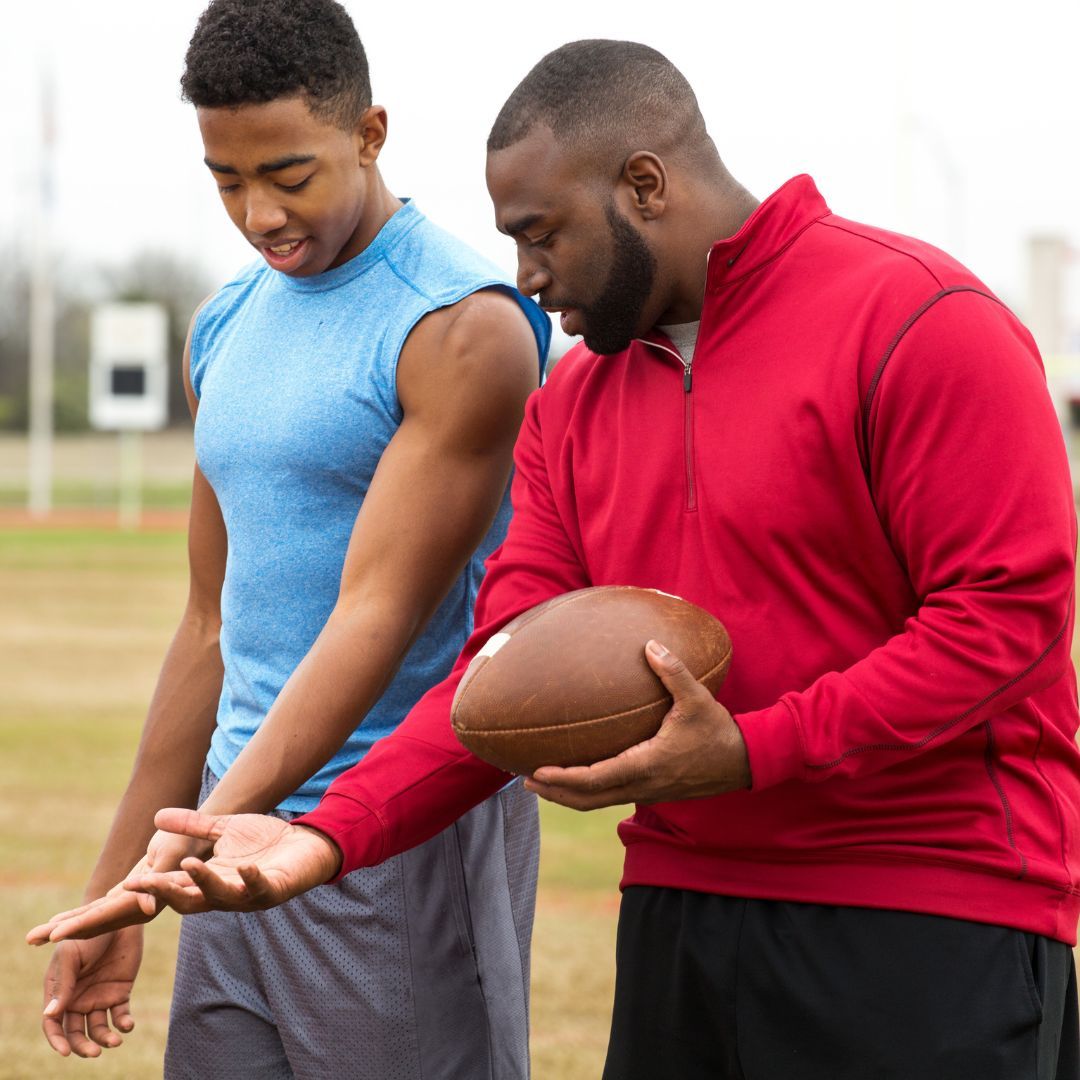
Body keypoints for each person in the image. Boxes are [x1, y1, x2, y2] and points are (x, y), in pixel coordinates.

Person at [34, 39, 1080, 1080]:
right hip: (681, 906)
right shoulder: (572, 403)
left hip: (937, 902)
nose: (527, 280)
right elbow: (494, 678)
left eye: (542, 238)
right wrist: (329, 835)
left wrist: (758, 749)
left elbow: (1006, 623)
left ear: (644, 185)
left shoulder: (926, 320)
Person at [29, 2, 550, 1078]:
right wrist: (127, 876)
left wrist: (185, 844)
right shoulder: (224, 323)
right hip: (228, 831)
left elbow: (377, 614)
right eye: (226, 179)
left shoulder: (462, 326)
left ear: (370, 132)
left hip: (385, 831)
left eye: (290, 173)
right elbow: (210, 626)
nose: (259, 212)